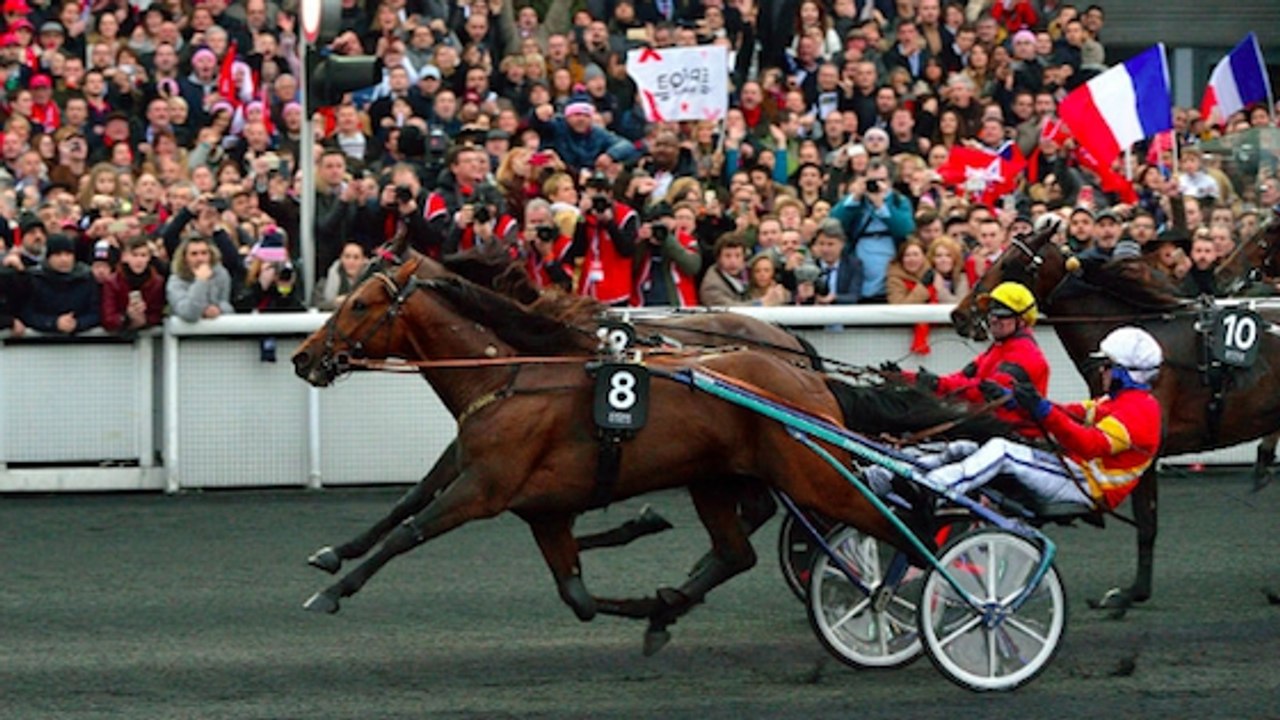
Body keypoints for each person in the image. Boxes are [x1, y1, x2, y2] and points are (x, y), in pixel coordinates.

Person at [867, 327, 1163, 512]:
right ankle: (889, 476)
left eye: (1107, 366)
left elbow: (1088, 444)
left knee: (1002, 451)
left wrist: (1041, 410)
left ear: (1126, 372)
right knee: (965, 447)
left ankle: (932, 489)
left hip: (1088, 487)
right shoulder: (1117, 401)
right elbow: (1070, 411)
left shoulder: (1139, 413)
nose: (1102, 372)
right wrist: (1020, 401)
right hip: (1073, 470)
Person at [909, 281, 1050, 433]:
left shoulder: (1026, 355)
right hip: (991, 431)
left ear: (1022, 321)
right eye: (991, 312)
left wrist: (937, 384)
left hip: (1018, 438)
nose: (993, 319)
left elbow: (981, 393)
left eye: (1001, 315)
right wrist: (910, 378)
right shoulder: (998, 347)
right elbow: (962, 377)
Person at [19, 234, 101, 334]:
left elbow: (95, 312)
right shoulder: (34, 278)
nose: (64, 259)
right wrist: (54, 323)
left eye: (68, 254)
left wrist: (78, 323)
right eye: (58, 254)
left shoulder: (86, 277)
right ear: (48, 258)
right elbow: (27, 313)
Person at [101, 236, 166, 333]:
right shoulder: (112, 282)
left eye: (143, 255)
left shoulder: (157, 282)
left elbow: (159, 313)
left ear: (149, 258)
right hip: (119, 339)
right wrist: (127, 317)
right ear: (124, 257)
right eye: (134, 255)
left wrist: (145, 319)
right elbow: (108, 317)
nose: (139, 260)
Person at [167, 237, 235, 322]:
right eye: (194, 254)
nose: (200, 259)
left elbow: (227, 304)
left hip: (217, 329)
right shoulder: (175, 281)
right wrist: (201, 281)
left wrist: (219, 309)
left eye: (204, 253)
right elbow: (189, 314)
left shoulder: (220, 274)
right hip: (185, 332)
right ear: (184, 258)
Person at [315, 241, 370, 311]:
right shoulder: (325, 282)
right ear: (341, 258)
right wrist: (335, 303)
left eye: (356, 257)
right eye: (347, 257)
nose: (351, 261)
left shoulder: (372, 281)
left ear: (363, 260)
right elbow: (317, 304)